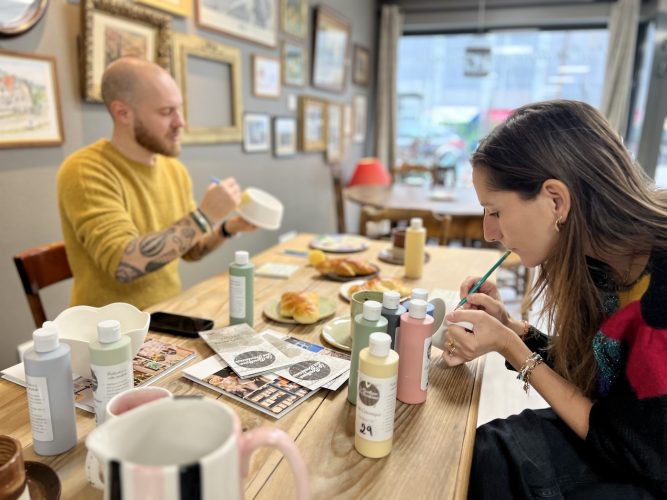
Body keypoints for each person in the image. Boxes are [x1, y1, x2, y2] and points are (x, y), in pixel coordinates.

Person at [442, 100, 666, 498]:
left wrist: (511, 347)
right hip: (621, 441)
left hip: (646, 469)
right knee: (480, 449)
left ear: (555, 201)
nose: (489, 232)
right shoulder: (600, 261)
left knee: (492, 465)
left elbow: (629, 444)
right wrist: (514, 330)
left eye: (494, 211)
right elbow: (601, 374)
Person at [57, 57, 255, 309]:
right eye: (166, 112)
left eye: (179, 109)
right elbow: (122, 264)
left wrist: (229, 227)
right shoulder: (85, 170)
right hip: (110, 331)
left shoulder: (175, 170)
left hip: (168, 315)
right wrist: (204, 216)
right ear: (123, 113)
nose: (180, 122)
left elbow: (189, 249)